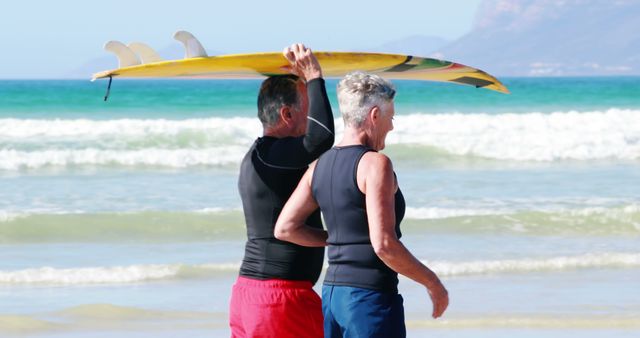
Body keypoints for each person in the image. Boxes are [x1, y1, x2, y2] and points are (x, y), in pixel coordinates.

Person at [275, 71, 449, 337]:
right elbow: (384, 245)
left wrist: (337, 240)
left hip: (333, 298)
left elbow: (286, 228)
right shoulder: (376, 164)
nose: (391, 126)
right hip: (368, 300)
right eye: (391, 118)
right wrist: (433, 283)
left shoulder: (318, 166)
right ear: (374, 115)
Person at [229, 44, 334, 338]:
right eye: (309, 110)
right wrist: (314, 77)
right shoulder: (273, 154)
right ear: (288, 114)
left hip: (251, 296)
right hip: (280, 300)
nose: (314, 116)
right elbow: (321, 138)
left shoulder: (261, 155)